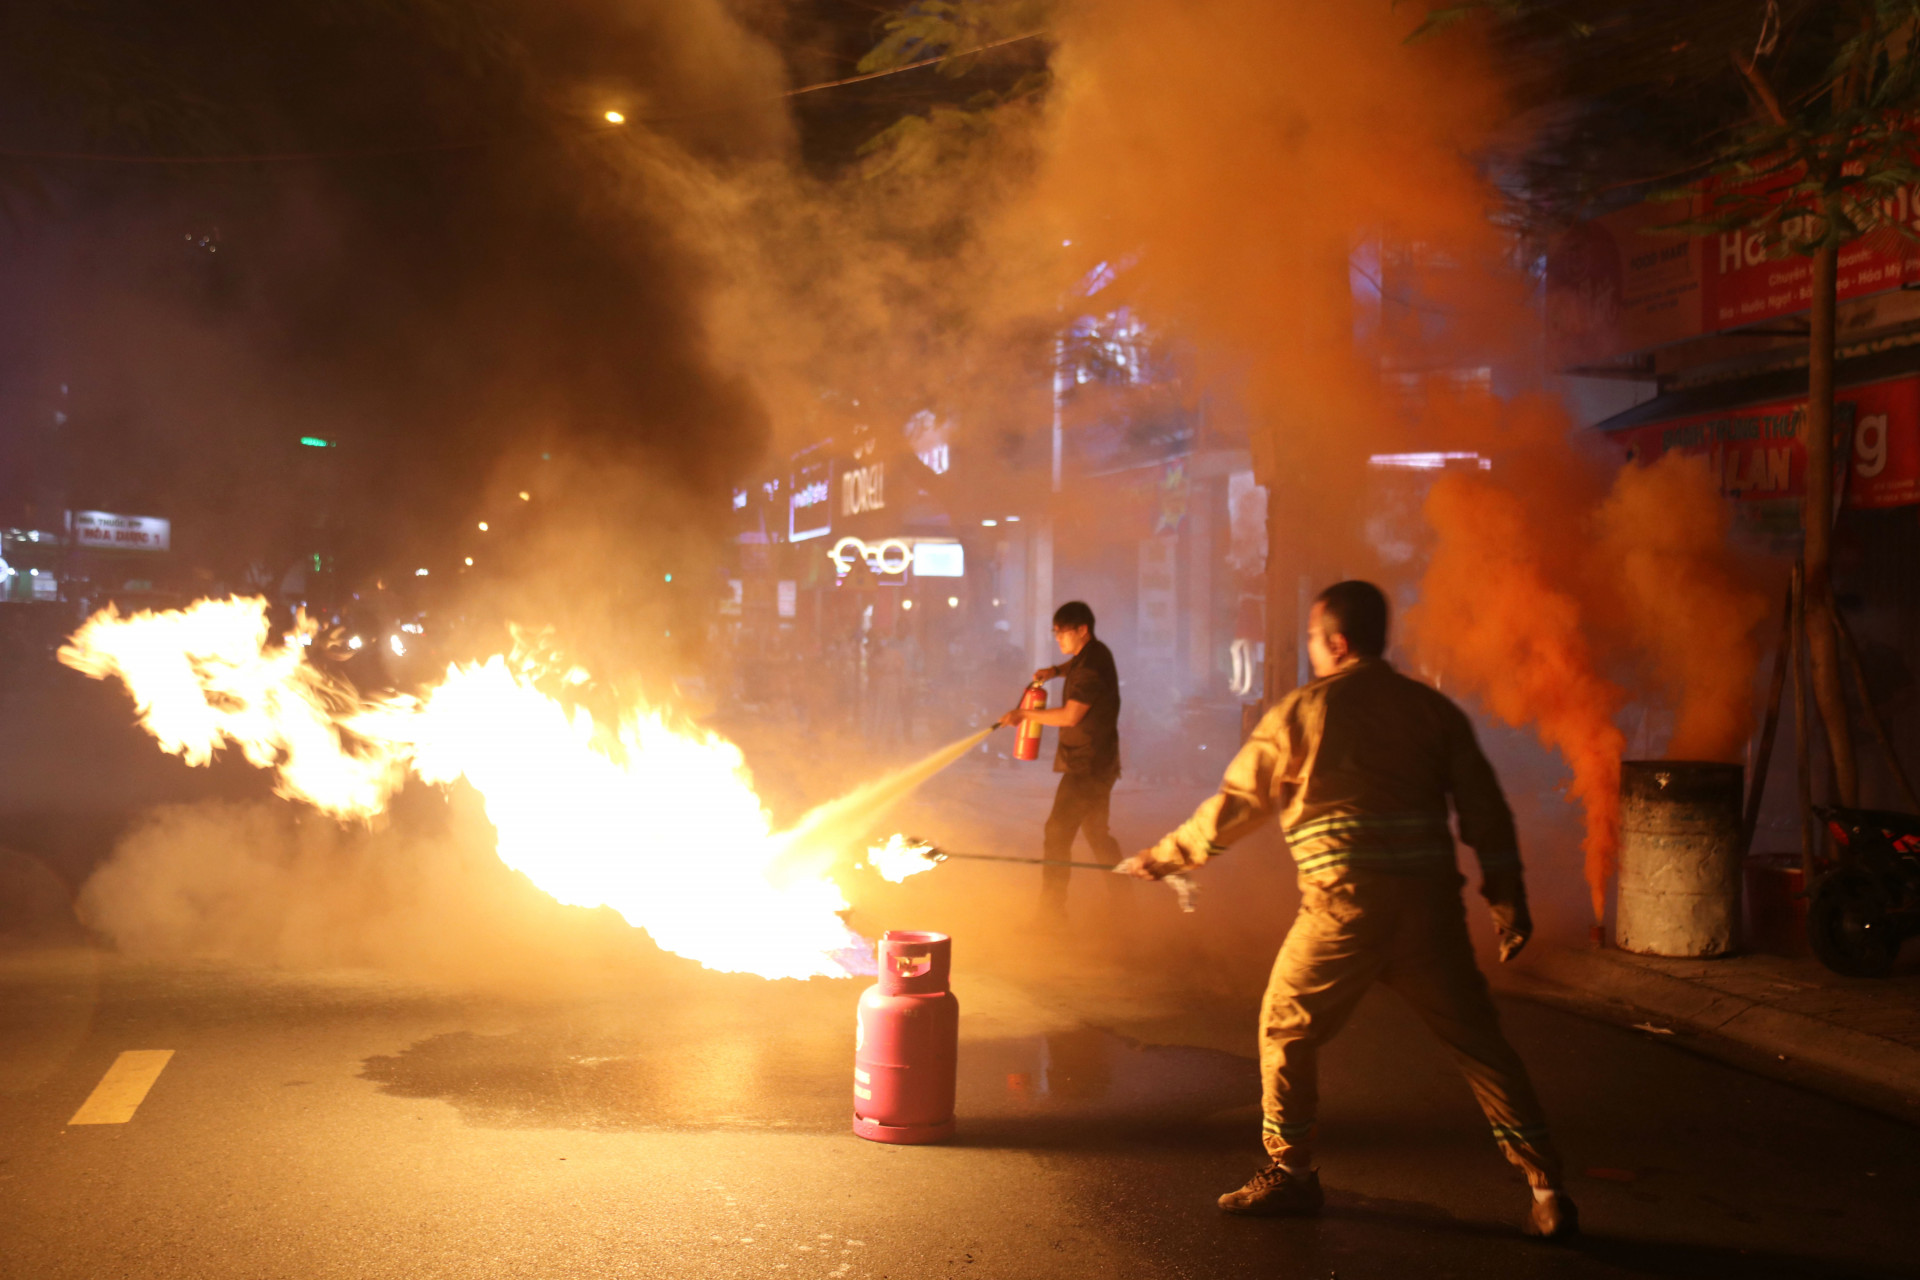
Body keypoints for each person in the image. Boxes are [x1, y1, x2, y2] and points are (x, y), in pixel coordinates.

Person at [1118, 580, 1577, 1239]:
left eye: (1310, 637)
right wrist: (1507, 899)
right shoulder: (1432, 711)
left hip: (1343, 908)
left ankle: (1292, 1174)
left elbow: (1237, 803)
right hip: (1430, 912)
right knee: (1481, 1047)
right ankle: (1548, 1189)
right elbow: (1485, 812)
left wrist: (1167, 856)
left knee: (1284, 1029)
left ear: (1335, 641)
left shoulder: (1302, 712)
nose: (1308, 648)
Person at [998, 601, 1123, 917]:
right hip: (1097, 762)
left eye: (1061, 633)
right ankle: (1124, 908)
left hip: (1087, 766)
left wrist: (1024, 713)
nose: (1058, 640)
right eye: (1055, 633)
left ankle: (1051, 915)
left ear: (1082, 630)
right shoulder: (1093, 654)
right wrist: (1055, 671)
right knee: (1098, 836)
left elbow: (1070, 716)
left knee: (1056, 833)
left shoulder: (1092, 667)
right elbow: (1075, 665)